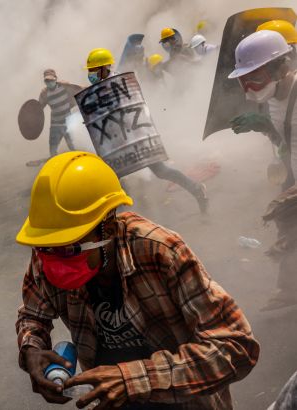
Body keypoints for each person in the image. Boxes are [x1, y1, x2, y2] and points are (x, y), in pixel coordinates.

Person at [15, 152, 259, 409]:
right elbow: (33, 314)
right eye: (46, 247)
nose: (53, 259)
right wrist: (32, 347)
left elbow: (236, 347)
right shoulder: (50, 253)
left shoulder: (160, 251)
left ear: (107, 229)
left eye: (69, 248)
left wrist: (130, 378)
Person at [85, 48, 209, 213]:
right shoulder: (101, 88)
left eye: (93, 70)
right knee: (116, 179)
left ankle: (196, 189)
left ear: (103, 68)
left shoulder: (118, 82)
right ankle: (123, 218)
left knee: (161, 171)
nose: (90, 74)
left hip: (137, 136)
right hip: (118, 141)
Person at [229, 30, 297, 191]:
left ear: (282, 70)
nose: (250, 88)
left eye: (256, 79)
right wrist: (269, 129)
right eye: (244, 82)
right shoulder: (272, 99)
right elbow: (290, 144)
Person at [37, 68, 83, 156]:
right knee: (53, 149)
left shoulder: (64, 86)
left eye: (51, 80)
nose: (49, 82)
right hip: (55, 124)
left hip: (68, 122)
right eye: (47, 81)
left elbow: (79, 89)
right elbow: (39, 108)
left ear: (55, 79)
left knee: (73, 146)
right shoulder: (44, 93)